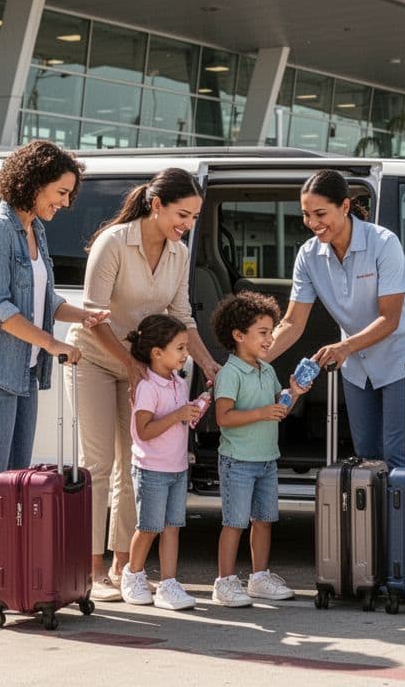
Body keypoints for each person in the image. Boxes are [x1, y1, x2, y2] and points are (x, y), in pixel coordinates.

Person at [0, 141, 110, 613]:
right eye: (59, 192)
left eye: (67, 194)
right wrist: (53, 343)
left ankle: (8, 574)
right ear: (34, 182)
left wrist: (85, 314)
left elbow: (46, 301)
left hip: (22, 371)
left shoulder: (33, 229)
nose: (63, 203)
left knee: (14, 481)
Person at [69, 167, 222, 602]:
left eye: (193, 218)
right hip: (95, 359)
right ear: (156, 205)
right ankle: (90, 569)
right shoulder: (113, 243)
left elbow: (182, 319)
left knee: (135, 466)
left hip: (141, 368)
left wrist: (209, 363)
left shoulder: (177, 253)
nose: (187, 225)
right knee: (98, 465)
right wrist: (130, 365)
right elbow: (93, 314)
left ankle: (124, 566)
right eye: (182, 214)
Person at [266, 169, 405, 467]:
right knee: (366, 459)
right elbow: (292, 323)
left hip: (400, 360)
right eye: (305, 215)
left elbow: (390, 318)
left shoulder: (383, 243)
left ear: (344, 206)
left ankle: (399, 515)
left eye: (320, 213)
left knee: (398, 457)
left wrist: (343, 348)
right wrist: (252, 361)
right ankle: (372, 516)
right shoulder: (308, 255)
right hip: (357, 366)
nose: (313, 224)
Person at [209, 291, 308, 607]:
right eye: (263, 333)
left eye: (271, 331)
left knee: (263, 519)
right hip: (237, 461)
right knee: (234, 522)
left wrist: (293, 393)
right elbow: (223, 418)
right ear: (239, 335)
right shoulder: (230, 374)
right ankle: (224, 582)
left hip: (266, 459)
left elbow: (278, 410)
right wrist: (263, 412)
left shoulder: (267, 370)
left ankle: (259, 577)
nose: (270, 339)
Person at [118, 314, 201, 611]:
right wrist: (177, 416)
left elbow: (176, 422)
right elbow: (144, 431)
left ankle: (168, 583)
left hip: (177, 468)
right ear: (157, 352)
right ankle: (133, 574)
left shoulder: (178, 383)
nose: (185, 354)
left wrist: (192, 412)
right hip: (151, 469)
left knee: (172, 527)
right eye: (180, 348)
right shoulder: (147, 387)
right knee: (150, 526)